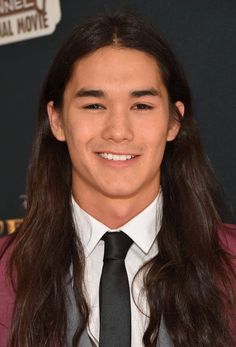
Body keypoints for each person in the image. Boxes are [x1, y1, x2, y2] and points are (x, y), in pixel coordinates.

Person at [0, 10, 235, 347]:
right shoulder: (5, 273)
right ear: (57, 121)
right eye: (94, 105)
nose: (118, 132)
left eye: (141, 106)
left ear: (173, 121)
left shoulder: (230, 263)